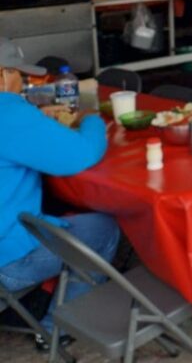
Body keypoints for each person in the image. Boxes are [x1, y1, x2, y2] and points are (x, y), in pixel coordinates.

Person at [0, 39, 119, 349]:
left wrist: (35, 117)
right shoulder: (8, 113)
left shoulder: (15, 114)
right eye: (19, 77)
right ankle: (56, 328)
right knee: (102, 228)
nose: (22, 84)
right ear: (2, 76)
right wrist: (91, 118)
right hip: (6, 264)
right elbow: (81, 154)